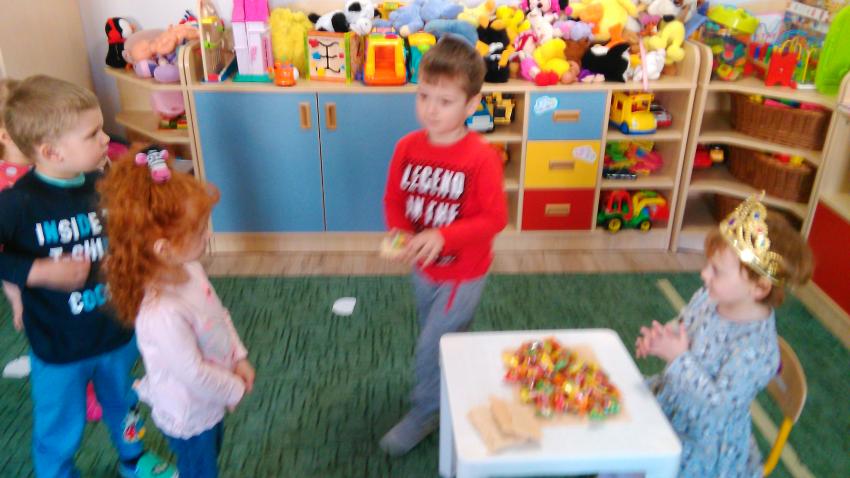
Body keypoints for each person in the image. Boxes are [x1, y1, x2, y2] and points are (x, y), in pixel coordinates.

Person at [0, 75, 175, 477]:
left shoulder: (102, 182)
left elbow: (137, 200)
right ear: (51, 151)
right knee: (59, 424)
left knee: (125, 405)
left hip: (116, 331)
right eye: (93, 134)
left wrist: (151, 171)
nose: (105, 139)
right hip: (58, 346)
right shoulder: (17, 203)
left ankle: (133, 458)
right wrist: (36, 271)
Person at [379, 36, 508, 456]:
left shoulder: (481, 158)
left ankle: (426, 412)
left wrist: (443, 236)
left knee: (432, 346)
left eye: (446, 101)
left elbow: (495, 219)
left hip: (462, 273)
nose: (431, 110)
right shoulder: (406, 147)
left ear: (471, 105)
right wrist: (400, 232)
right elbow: (394, 200)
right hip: (423, 270)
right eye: (424, 96)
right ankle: (455, 388)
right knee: (445, 341)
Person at [98, 145, 255, 478]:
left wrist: (238, 357)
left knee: (210, 456)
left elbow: (219, 315)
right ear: (164, 249)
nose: (208, 234)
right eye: (198, 231)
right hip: (189, 412)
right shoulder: (161, 312)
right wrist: (234, 388)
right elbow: (192, 372)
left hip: (211, 395)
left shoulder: (190, 268)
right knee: (200, 469)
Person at [635, 194, 813, 477]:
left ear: (759, 287)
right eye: (708, 264)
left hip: (701, 440)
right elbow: (686, 322)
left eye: (716, 270)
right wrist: (663, 337)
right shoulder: (710, 296)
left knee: (639, 457)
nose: (704, 274)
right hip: (674, 400)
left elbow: (718, 405)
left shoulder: (757, 349)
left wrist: (679, 359)